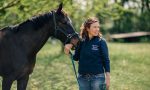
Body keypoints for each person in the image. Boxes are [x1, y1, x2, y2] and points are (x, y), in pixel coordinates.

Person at [64, 17, 110, 90]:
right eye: (94, 27)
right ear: (87, 29)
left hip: (97, 78)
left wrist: (108, 78)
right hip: (82, 78)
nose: (97, 29)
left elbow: (106, 60)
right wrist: (67, 52)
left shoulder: (101, 42)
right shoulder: (81, 42)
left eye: (98, 27)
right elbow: (75, 58)